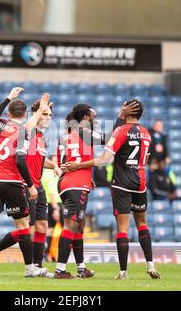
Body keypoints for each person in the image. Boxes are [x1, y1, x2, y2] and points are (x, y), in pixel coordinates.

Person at [62, 99, 160, 280]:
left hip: (122, 183)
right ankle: (150, 265)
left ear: (128, 111)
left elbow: (105, 158)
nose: (96, 119)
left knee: (121, 228)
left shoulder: (119, 131)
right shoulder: (147, 133)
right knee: (142, 224)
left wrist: (77, 167)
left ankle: (123, 272)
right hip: (140, 182)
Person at [0, 87, 50, 278]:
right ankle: (29, 268)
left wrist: (9, 97)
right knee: (23, 225)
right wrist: (31, 186)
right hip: (11, 182)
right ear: (25, 114)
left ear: (8, 113)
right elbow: (19, 160)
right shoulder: (23, 131)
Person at [41, 155, 64, 262]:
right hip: (55, 203)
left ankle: (47, 254)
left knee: (50, 229)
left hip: (50, 203)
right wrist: (55, 208)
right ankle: (54, 254)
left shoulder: (45, 173)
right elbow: (51, 192)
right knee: (64, 229)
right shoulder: (50, 174)